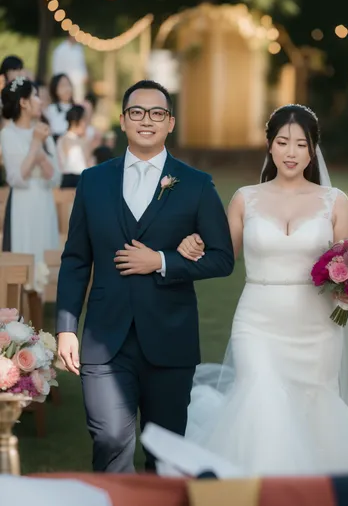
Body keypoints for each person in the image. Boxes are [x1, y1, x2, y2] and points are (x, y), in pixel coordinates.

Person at [177, 104, 348, 476]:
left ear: (312, 149)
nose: (291, 152)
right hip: (257, 320)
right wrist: (193, 244)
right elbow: (222, 256)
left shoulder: (334, 201)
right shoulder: (245, 198)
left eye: (300, 144)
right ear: (269, 145)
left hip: (317, 326)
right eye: (283, 142)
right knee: (261, 397)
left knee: (314, 407)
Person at [56, 80, 234, 473]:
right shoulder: (93, 180)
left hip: (171, 338)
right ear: (122, 121)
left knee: (165, 453)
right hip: (105, 338)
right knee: (110, 439)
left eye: (157, 113)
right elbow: (75, 259)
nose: (147, 120)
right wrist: (66, 327)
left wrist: (163, 261)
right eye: (137, 112)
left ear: (170, 123)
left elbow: (223, 259)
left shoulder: (197, 184)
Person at [0, 76, 60, 293]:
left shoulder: (44, 130)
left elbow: (55, 178)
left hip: (44, 199)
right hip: (23, 204)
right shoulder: (8, 134)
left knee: (44, 258)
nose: (40, 101)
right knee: (24, 258)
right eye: (35, 96)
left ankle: (42, 307)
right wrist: (35, 143)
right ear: (24, 102)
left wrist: (41, 153)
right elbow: (17, 179)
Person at [57, 105, 91, 188]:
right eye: (84, 119)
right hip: (70, 181)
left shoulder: (83, 139)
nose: (86, 123)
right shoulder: (65, 139)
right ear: (75, 121)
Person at [52, 35, 88, 103]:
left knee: (78, 101)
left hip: (78, 82)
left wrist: (84, 75)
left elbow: (82, 64)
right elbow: (57, 67)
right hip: (65, 82)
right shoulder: (60, 49)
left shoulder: (79, 49)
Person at [45, 73, 74, 141]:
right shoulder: (50, 110)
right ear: (55, 89)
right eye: (62, 85)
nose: (67, 89)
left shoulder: (77, 109)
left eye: (68, 84)